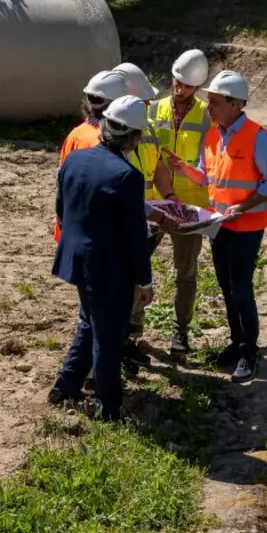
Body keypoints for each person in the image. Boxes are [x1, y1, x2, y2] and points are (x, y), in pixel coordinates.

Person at [165, 71, 267, 383]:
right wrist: (184, 169)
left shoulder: (258, 137)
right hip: (219, 225)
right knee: (226, 286)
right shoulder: (214, 135)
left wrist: (241, 208)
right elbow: (207, 176)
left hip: (246, 226)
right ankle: (235, 343)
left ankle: (249, 352)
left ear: (235, 104)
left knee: (242, 288)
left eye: (214, 102)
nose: (208, 108)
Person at [49, 96, 155, 420]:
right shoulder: (128, 177)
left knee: (88, 322)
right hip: (110, 271)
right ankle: (107, 409)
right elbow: (136, 238)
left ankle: (65, 386)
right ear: (134, 138)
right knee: (108, 338)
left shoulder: (74, 161)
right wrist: (145, 280)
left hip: (76, 260)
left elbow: (61, 211)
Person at [147, 49, 212, 355]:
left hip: (189, 207)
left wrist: (186, 170)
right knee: (137, 264)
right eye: (177, 81)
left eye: (187, 85)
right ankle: (132, 329)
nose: (179, 88)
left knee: (185, 273)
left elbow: (211, 165)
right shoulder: (154, 110)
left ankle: (180, 332)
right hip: (154, 202)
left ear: (197, 87)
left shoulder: (207, 116)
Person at [114, 62, 178, 365]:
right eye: (145, 103)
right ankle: (120, 340)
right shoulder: (110, 137)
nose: (149, 107)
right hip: (127, 221)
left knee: (138, 279)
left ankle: (131, 335)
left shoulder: (149, 129)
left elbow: (160, 167)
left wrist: (169, 197)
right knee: (125, 282)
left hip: (150, 220)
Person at [54, 69, 129, 243]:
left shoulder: (76, 133)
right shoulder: (107, 141)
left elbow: (61, 180)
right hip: (95, 231)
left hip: (71, 223)